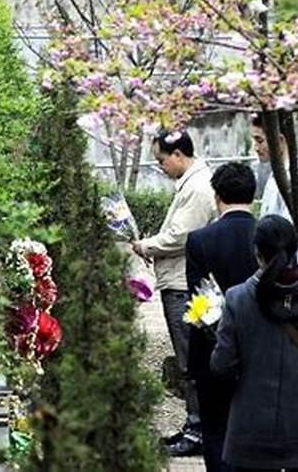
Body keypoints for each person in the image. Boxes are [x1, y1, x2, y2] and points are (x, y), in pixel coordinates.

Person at [210, 215, 298, 472]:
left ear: (257, 252)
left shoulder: (238, 298)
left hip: (251, 430)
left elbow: (222, 365)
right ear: (294, 249)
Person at [132, 129, 217, 456]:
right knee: (189, 361)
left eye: (162, 160)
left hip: (183, 284)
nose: (161, 166)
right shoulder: (192, 184)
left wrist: (146, 246)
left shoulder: (197, 187)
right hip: (179, 281)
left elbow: (181, 236)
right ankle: (194, 424)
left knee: (191, 362)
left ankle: (198, 429)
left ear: (179, 154)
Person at [185, 162, 260, 471]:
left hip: (212, 346)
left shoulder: (200, 240)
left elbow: (198, 301)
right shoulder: (266, 234)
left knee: (216, 429)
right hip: (260, 347)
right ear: (253, 195)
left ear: (217, 195)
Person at [251, 113, 298, 238]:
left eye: (260, 140)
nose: (256, 148)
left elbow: (289, 233)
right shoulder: (277, 176)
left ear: (280, 140)